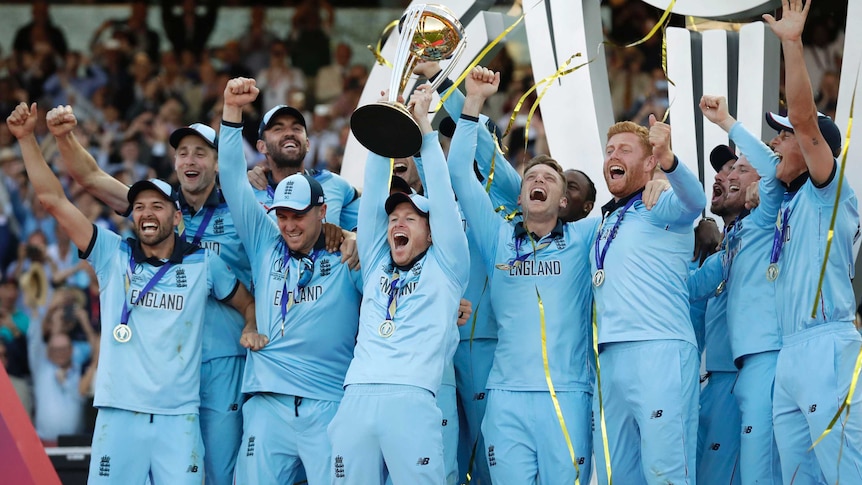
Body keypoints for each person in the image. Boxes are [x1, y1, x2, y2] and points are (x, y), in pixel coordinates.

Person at [7, 101, 265, 484]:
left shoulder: (242, 213)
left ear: (219, 162)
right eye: (182, 152)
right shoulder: (119, 252)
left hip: (214, 371)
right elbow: (83, 183)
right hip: (132, 398)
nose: (146, 212)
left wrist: (339, 233)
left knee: (222, 475)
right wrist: (51, 137)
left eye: (201, 152)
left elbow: (293, 231)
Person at [715, 2, 861, 482]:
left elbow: (801, 119)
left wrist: (792, 45)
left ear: (813, 145)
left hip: (826, 346)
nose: (774, 143)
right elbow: (770, 153)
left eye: (784, 137)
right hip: (792, 353)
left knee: (843, 472)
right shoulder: (787, 204)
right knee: (796, 476)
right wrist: (728, 124)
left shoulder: (827, 191)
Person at [447, 66, 596, 484]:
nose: (538, 180)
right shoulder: (497, 236)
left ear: (563, 200)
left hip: (567, 396)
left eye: (549, 179)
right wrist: (473, 102)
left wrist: (659, 180)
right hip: (505, 396)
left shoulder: (585, 239)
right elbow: (460, 172)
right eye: (531, 176)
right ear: (520, 193)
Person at [219, 77, 361, 485]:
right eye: (282, 213)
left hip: (330, 400)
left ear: (322, 211)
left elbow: (391, 229)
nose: (289, 224)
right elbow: (230, 176)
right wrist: (232, 111)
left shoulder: (346, 249)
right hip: (268, 400)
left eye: (299, 214)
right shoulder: (266, 238)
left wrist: (353, 237)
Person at [327, 85, 468, 484]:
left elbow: (440, 195)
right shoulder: (376, 264)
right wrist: (381, 127)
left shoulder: (448, 264)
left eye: (410, 218)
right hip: (355, 396)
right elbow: (373, 196)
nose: (397, 224)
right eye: (394, 219)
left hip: (412, 398)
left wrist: (423, 130)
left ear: (431, 231)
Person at [591, 110, 705, 483]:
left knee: (665, 473)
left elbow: (695, 201)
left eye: (625, 149)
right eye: (609, 151)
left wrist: (669, 163)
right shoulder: (606, 220)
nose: (613, 156)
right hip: (610, 355)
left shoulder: (660, 205)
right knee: (618, 475)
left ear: (649, 161)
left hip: (660, 350)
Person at [699, 98, 788, 484]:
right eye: (727, 168)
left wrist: (726, 122)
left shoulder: (769, 215)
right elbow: (693, 286)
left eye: (740, 167)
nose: (728, 174)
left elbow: (774, 172)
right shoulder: (732, 238)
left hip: (761, 358)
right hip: (731, 367)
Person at [690, 145, 744, 485]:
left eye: (733, 169)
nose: (720, 176)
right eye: (720, 170)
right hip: (710, 382)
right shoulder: (718, 246)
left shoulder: (762, 232)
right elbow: (688, 291)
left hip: (738, 379)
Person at [253, 103, 359, 230]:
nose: (289, 133)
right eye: (278, 129)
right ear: (262, 146)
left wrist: (349, 236)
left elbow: (366, 205)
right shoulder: (250, 194)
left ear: (308, 144)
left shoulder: (333, 182)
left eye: (296, 128)